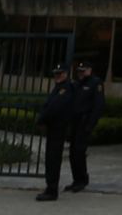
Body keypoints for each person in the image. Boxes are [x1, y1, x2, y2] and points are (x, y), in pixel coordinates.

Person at [35, 64, 79, 201]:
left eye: (60, 73)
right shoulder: (60, 87)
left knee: (53, 159)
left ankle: (52, 190)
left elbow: (54, 107)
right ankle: (50, 188)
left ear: (66, 74)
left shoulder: (65, 89)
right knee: (51, 159)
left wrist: (42, 118)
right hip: (54, 128)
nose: (57, 76)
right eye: (56, 74)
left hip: (58, 128)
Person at [67, 60, 105, 192]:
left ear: (90, 70)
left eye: (83, 71)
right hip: (75, 122)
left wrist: (91, 124)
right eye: (79, 71)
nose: (81, 73)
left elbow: (99, 105)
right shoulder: (76, 84)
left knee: (79, 152)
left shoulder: (95, 83)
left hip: (85, 122)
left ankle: (82, 179)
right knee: (72, 153)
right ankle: (76, 179)